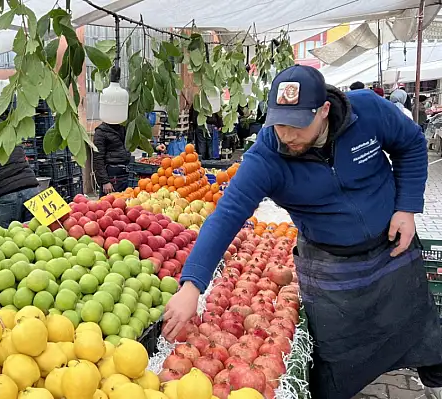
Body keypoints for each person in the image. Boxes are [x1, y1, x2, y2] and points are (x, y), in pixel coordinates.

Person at [162, 65, 442, 399]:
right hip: (331, 268)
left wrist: (407, 207)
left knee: (419, 330)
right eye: (279, 123)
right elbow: (227, 215)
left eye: (297, 125)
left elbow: (410, 143)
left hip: (392, 249)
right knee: (340, 358)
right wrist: (192, 285)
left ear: (324, 111)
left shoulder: (368, 110)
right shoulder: (267, 156)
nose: (287, 135)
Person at [0, 113, 40, 228]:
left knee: (11, 238)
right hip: (31, 189)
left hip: (5, 194)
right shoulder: (11, 135)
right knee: (37, 233)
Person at [93, 122, 131, 196]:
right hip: (112, 177)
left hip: (124, 174)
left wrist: (155, 147)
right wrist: (105, 181)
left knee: (124, 203)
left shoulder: (122, 128)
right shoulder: (100, 132)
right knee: (109, 204)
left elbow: (135, 142)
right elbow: (98, 158)